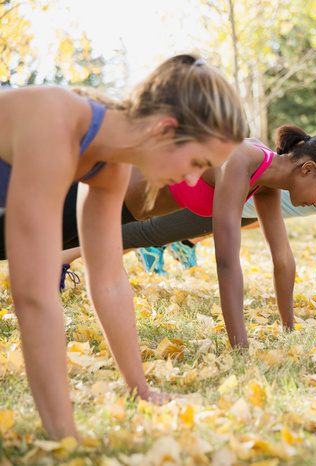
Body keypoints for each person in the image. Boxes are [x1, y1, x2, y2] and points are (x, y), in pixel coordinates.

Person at [0, 53, 247, 439]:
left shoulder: (109, 165)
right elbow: (33, 295)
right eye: (198, 161)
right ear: (165, 128)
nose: (196, 179)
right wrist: (66, 437)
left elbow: (110, 280)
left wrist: (140, 389)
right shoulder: (56, 121)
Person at [80, 129, 316, 311]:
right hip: (231, 197)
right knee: (142, 231)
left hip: (252, 202)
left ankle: (61, 250)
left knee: (139, 232)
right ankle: (61, 255)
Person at [52, 126, 316, 349]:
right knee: (12, 240)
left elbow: (283, 259)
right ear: (308, 168)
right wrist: (241, 349)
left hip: (117, 213)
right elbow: (226, 263)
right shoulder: (241, 160)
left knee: (26, 243)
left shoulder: (266, 180)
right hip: (94, 190)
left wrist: (289, 329)